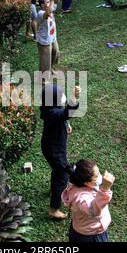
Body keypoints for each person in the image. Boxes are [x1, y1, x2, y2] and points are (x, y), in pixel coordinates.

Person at [40, 84, 81, 219]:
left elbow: (62, 115)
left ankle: (54, 191)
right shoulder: (52, 112)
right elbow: (64, 113)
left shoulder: (49, 108)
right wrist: (74, 98)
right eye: (60, 95)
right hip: (54, 150)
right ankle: (54, 209)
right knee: (62, 175)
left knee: (58, 171)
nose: (63, 96)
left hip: (52, 147)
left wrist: (67, 124)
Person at [62, 159, 115, 242]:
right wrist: (105, 189)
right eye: (97, 176)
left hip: (86, 229)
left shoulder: (82, 183)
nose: (100, 177)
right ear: (86, 182)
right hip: (90, 235)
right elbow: (94, 211)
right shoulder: (81, 199)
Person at [36, 0, 60, 80]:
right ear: (42, 5)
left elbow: (55, 4)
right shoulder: (40, 13)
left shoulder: (50, 8)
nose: (50, 4)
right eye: (48, 2)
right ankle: (43, 79)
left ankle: (50, 69)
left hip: (52, 38)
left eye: (50, 2)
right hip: (44, 41)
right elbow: (48, 12)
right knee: (45, 60)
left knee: (56, 54)